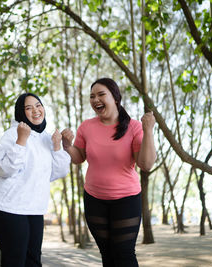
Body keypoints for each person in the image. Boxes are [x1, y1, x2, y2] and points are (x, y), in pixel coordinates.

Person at [61, 78, 156, 267]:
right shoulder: (86, 127)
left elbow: (145, 164)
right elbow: (78, 158)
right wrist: (66, 145)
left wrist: (148, 130)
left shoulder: (134, 126)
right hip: (94, 199)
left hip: (126, 199)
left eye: (101, 94)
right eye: (92, 96)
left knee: (124, 254)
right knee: (107, 254)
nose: (95, 99)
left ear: (115, 97)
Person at [0, 92, 71, 267]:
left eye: (38, 105)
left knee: (33, 260)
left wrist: (57, 146)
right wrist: (21, 140)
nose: (35, 110)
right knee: (15, 260)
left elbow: (58, 172)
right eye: (28, 108)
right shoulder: (10, 136)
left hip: (33, 207)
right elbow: (5, 170)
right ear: (20, 113)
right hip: (5, 205)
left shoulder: (46, 138)